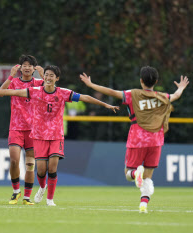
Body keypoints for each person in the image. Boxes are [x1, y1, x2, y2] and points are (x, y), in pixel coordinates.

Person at [0, 65, 119, 206]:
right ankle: (42, 187)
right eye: (46, 75)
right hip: (39, 136)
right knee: (41, 170)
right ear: (43, 77)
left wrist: (106, 105)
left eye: (51, 75)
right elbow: (13, 93)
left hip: (56, 136)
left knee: (52, 167)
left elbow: (85, 97)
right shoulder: (35, 91)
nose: (48, 78)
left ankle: (50, 199)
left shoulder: (63, 93)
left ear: (57, 78)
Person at [79, 67, 189, 213]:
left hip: (137, 139)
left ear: (141, 81)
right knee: (148, 177)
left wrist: (92, 85)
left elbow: (112, 92)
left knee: (128, 174)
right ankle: (143, 204)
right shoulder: (162, 96)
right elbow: (175, 96)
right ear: (156, 81)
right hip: (156, 140)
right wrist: (181, 87)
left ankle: (135, 174)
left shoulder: (133, 94)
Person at [0, 55, 44, 205]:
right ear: (20, 67)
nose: (26, 67)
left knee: (30, 164)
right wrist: (11, 76)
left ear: (33, 69)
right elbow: (0, 92)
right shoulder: (15, 82)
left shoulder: (39, 83)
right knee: (14, 160)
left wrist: (44, 75)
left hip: (33, 129)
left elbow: (53, 90)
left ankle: (26, 197)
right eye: (24, 65)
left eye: (30, 65)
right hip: (16, 128)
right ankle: (16, 191)